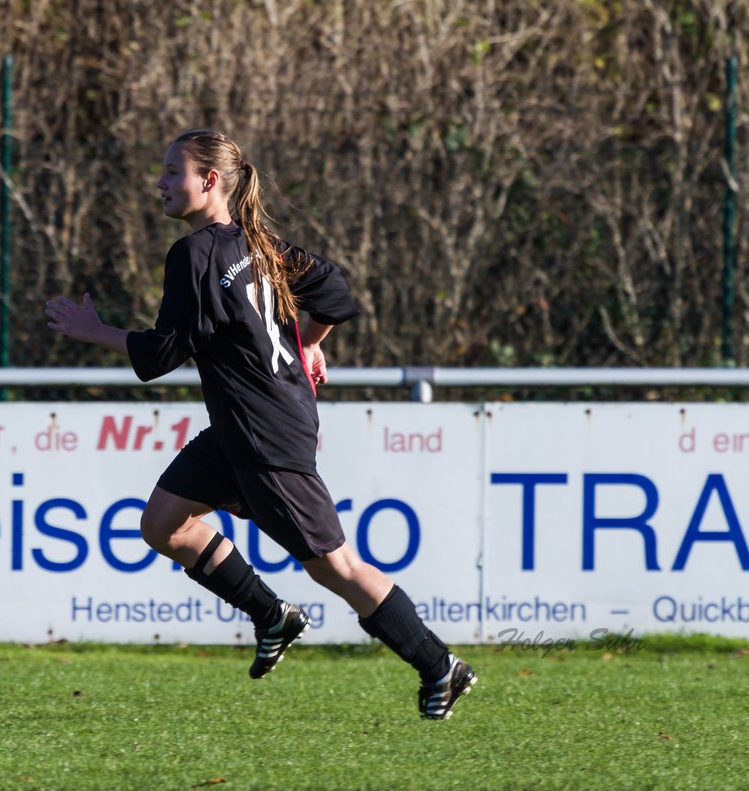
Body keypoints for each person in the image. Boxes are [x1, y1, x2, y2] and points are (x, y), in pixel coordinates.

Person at [45, 128, 477, 719]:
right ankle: (271, 614)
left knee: (337, 567)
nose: (161, 183)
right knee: (164, 524)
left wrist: (96, 331)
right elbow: (334, 291)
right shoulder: (258, 241)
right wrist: (308, 345)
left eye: (173, 172)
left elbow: (161, 354)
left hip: (264, 435)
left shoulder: (194, 254)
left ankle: (439, 667)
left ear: (210, 181)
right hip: (249, 427)